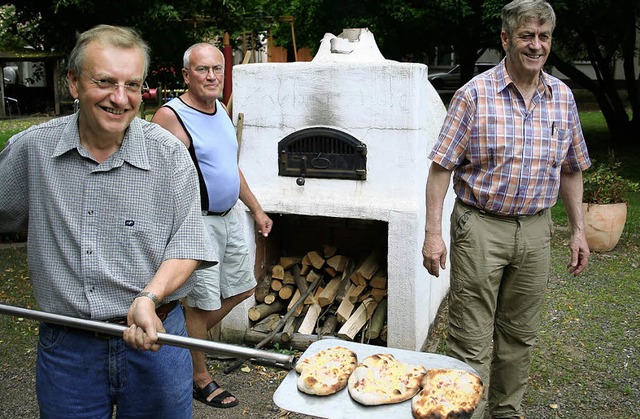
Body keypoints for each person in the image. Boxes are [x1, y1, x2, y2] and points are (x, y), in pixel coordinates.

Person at [0, 25, 216, 418]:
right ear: (73, 83)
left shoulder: (168, 155)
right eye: (105, 82)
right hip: (68, 350)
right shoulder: (32, 150)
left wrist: (148, 298)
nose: (120, 98)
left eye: (132, 85)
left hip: (158, 342)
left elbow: (188, 245)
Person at [421, 1, 591, 418]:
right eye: (527, 36)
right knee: (470, 338)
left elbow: (571, 170)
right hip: (480, 227)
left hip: (536, 231)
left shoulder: (562, 98)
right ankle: (468, 413)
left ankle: (506, 411)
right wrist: (432, 233)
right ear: (505, 39)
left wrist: (578, 230)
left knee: (520, 335)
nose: (536, 46)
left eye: (544, 36)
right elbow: (441, 169)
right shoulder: (473, 95)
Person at [152, 42, 273, 409]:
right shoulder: (170, 116)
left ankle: (185, 332)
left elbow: (228, 167)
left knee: (243, 288)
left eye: (217, 69)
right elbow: (157, 179)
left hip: (229, 217)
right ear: (186, 75)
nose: (211, 76)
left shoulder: (220, 109)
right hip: (196, 224)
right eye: (202, 70)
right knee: (201, 305)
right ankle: (199, 378)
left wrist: (256, 209)